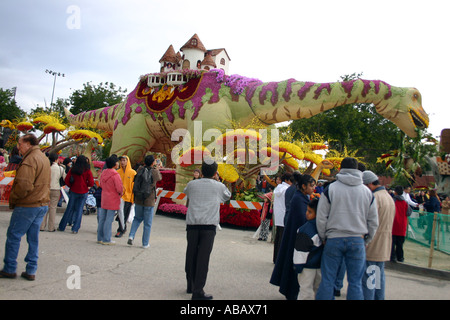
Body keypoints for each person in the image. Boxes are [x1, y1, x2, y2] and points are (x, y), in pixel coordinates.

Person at [316, 157, 379, 300]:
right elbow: (373, 221)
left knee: (327, 280)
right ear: (357, 170)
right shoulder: (367, 192)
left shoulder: (330, 189)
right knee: (355, 283)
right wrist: (367, 239)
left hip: (333, 238)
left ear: (340, 169)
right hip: (357, 239)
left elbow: (321, 217)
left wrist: (323, 237)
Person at [0, 134, 50, 281]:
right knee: (33, 239)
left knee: (14, 236)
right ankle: (31, 269)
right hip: (41, 204)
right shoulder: (43, 157)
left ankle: (10, 267)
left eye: (20, 143)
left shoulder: (29, 160)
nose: (18, 146)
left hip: (28, 204)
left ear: (28, 144)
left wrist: (13, 199)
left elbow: (24, 185)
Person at [183, 160, 231, 300]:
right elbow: (228, 196)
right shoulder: (219, 186)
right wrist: (217, 179)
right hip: (209, 226)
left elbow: (187, 193)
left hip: (192, 224)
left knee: (191, 254)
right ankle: (198, 290)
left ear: (202, 172)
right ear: (215, 173)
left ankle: (190, 284)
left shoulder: (192, 184)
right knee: (203, 258)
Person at [270, 174, 316, 300]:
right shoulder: (298, 199)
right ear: (303, 186)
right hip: (295, 236)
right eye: (311, 186)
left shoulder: (300, 196)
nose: (314, 188)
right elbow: (303, 219)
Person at [361, 170, 395, 300]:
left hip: (373, 244)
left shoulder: (375, 198)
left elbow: (370, 223)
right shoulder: (387, 196)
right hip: (384, 243)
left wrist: (365, 241)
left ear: (369, 184)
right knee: (379, 277)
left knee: (369, 279)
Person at [127, 155, 162, 248]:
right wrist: (157, 168)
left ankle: (131, 235)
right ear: (153, 162)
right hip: (149, 200)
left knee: (137, 218)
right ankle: (145, 243)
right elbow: (159, 178)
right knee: (147, 223)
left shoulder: (140, 169)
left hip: (138, 198)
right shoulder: (154, 171)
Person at [293, 197, 323, 300]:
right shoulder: (324, 228)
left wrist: (298, 266)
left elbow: (300, 252)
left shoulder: (304, 230)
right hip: (319, 265)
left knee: (305, 291)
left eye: (310, 212)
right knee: (319, 290)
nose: (306, 213)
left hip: (306, 266)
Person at [58, 155, 94, 233]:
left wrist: (71, 186)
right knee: (79, 210)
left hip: (74, 190)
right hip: (83, 191)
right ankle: (75, 228)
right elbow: (91, 182)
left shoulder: (73, 169)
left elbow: (67, 180)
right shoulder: (87, 170)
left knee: (69, 208)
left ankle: (62, 226)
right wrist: (87, 186)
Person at [97, 155, 123, 245]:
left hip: (104, 197)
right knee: (109, 219)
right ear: (115, 163)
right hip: (113, 198)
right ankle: (107, 239)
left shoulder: (103, 173)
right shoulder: (115, 174)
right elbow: (119, 188)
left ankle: (100, 237)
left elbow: (100, 184)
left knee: (102, 219)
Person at [41, 152, 65, 232]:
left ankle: (42, 226)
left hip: (46, 188)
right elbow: (65, 178)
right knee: (53, 208)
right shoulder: (60, 169)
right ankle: (51, 227)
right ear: (56, 159)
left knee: (44, 206)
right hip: (56, 188)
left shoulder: (46, 167)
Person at [272, 172, 292, 263]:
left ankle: (275, 258)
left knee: (278, 237)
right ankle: (279, 260)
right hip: (285, 215)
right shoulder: (287, 189)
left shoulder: (278, 188)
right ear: (287, 180)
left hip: (278, 215)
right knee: (282, 238)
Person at [115, 155, 136, 237]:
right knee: (120, 214)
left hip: (128, 197)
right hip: (119, 197)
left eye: (124, 160)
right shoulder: (118, 172)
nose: (122, 162)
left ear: (128, 161)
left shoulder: (133, 173)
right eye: (121, 160)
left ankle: (121, 229)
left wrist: (133, 198)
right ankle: (122, 229)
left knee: (124, 214)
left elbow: (134, 187)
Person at [391, 186, 412, 262]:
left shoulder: (393, 201)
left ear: (395, 192)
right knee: (400, 244)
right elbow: (409, 213)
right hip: (402, 226)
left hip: (393, 225)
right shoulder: (405, 202)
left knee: (392, 243)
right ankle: (400, 257)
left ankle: (392, 257)